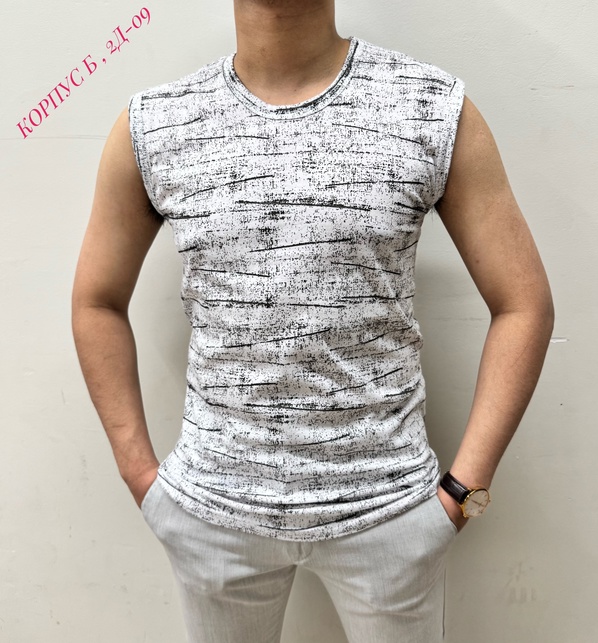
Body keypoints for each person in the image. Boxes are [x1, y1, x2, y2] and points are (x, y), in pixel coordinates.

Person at [71, 1, 554, 641]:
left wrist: (464, 493)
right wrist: (142, 477)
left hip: (389, 515)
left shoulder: (429, 108)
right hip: (211, 516)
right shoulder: (156, 124)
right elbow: (96, 302)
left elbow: (523, 304)